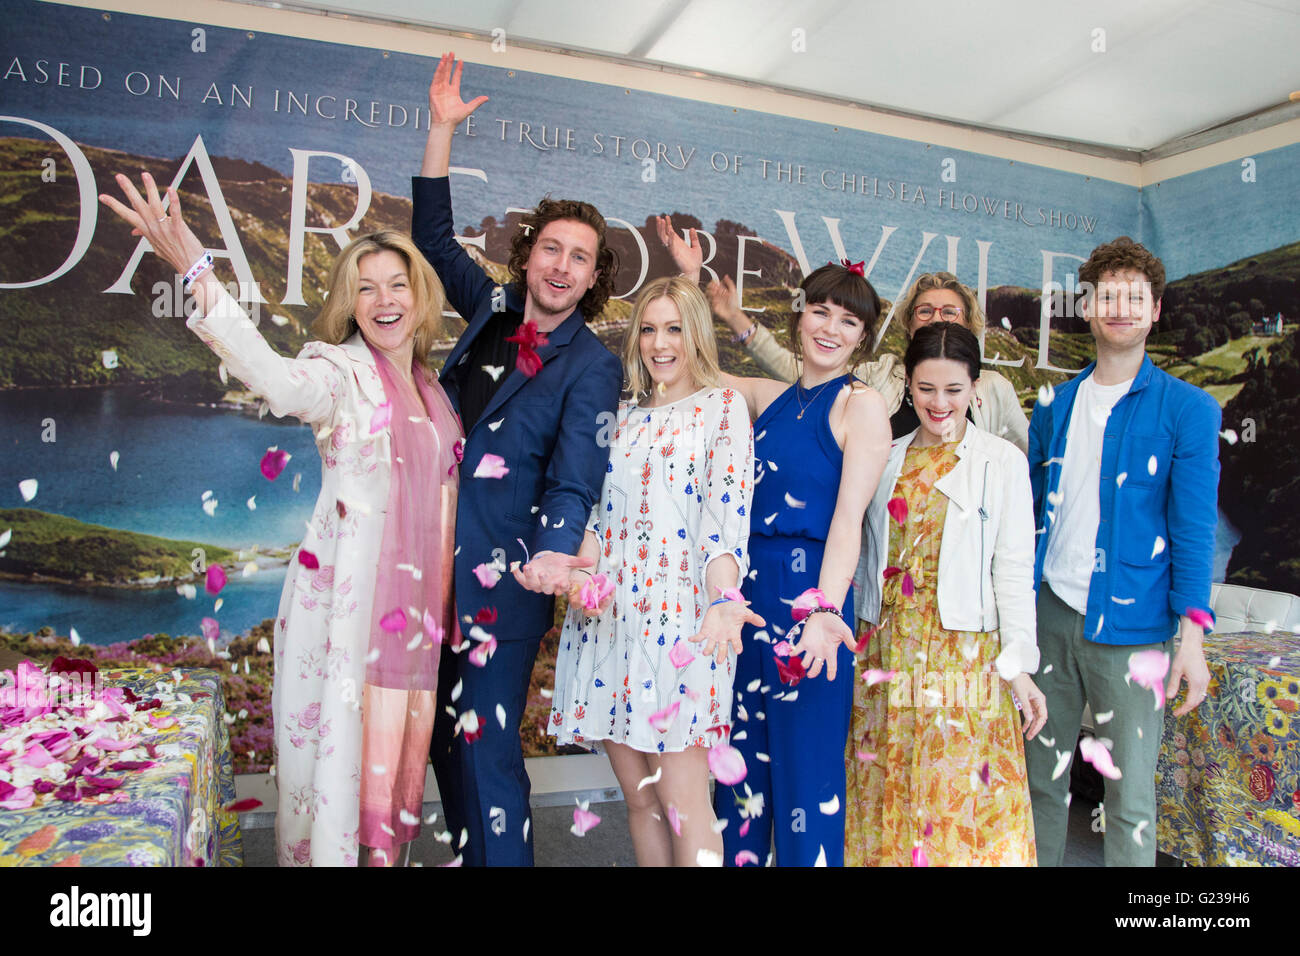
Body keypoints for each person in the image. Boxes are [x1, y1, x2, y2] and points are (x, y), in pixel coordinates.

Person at [99, 174, 462, 867]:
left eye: (397, 284)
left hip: (410, 626)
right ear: (348, 304)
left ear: (420, 296)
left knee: (384, 778)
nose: (384, 300)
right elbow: (273, 377)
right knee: (338, 772)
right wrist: (195, 269)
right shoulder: (338, 372)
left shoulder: (433, 389)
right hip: (347, 617)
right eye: (366, 287)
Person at [413, 53, 622, 866]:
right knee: (442, 743)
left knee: (489, 753)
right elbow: (431, 236)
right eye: (552, 249)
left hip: (508, 581)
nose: (562, 266)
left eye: (580, 257)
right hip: (430, 566)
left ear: (593, 276)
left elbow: (576, 478)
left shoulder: (594, 364)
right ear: (529, 253)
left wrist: (554, 552)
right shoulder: (490, 313)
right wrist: (440, 128)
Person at [549, 277, 760, 866]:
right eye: (648, 328)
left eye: (674, 329)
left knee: (684, 806)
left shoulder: (722, 408)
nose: (659, 343)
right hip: (611, 623)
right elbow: (597, 514)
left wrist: (724, 600)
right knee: (640, 803)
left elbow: (725, 523)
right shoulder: (620, 417)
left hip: (681, 631)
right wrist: (577, 570)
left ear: (696, 334)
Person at [1025, 236, 1218, 867]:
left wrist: (1191, 639)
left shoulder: (1189, 410)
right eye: (1108, 294)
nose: (1122, 307)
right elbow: (1031, 510)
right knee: (1039, 784)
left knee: (1129, 799)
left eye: (1136, 297)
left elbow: (1193, 530)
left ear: (1155, 311)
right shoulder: (1053, 404)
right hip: (1049, 615)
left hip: (1134, 630)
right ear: (1087, 306)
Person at [700, 263, 891, 867]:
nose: (830, 329)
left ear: (864, 336)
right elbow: (693, 372)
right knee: (740, 781)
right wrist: (690, 296)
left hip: (812, 598)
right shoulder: (770, 396)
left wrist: (824, 611)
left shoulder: (862, 407)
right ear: (799, 314)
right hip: (747, 598)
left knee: (808, 779)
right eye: (821, 312)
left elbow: (847, 521)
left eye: (848, 320)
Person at [846, 322, 1047, 866]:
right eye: (926, 388)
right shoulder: (885, 454)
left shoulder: (1002, 461)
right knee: (885, 792)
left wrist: (1019, 666)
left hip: (962, 662)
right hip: (885, 655)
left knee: (956, 802)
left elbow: (1013, 572)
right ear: (907, 386)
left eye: (954, 390)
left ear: (976, 389)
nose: (939, 403)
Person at [657, 217, 1029, 454]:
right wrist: (727, 311)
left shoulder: (995, 390)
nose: (937, 319)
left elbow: (1025, 467)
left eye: (950, 312)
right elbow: (803, 373)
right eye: (925, 310)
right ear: (909, 323)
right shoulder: (875, 380)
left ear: (969, 323)